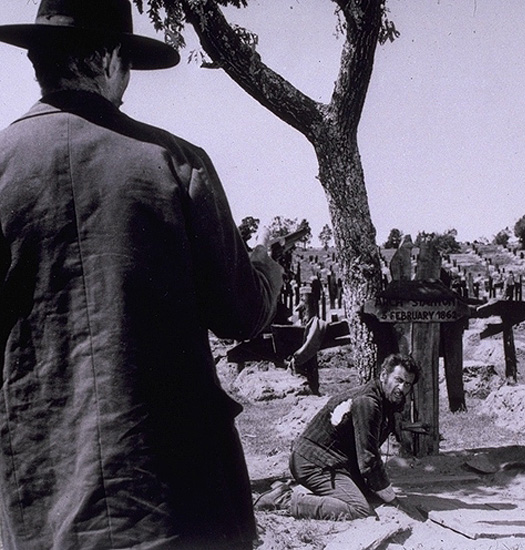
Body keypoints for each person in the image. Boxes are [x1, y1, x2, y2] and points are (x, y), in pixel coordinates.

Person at [0, 1, 283, 549]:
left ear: (37, 60)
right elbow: (241, 314)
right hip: (174, 501)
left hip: (40, 505)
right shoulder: (176, 163)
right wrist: (267, 269)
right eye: (127, 65)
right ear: (110, 60)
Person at [255, 353, 419, 520]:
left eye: (407, 384)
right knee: (360, 510)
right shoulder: (368, 402)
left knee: (373, 497)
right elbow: (368, 459)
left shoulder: (385, 401)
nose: (401, 388)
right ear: (384, 376)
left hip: (335, 462)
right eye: (398, 380)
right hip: (313, 462)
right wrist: (393, 499)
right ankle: (284, 499)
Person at [287, 286, 328, 395]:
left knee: (309, 360)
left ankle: (312, 386)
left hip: (307, 333)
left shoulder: (311, 316)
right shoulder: (310, 310)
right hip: (307, 331)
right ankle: (312, 385)